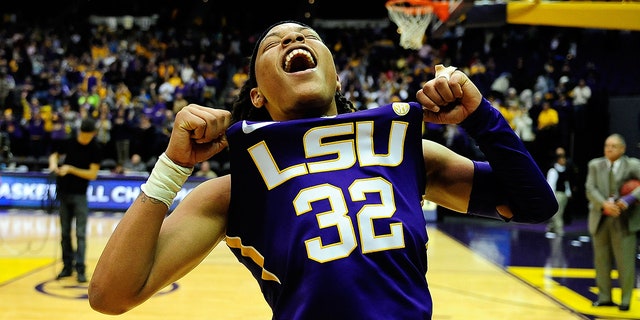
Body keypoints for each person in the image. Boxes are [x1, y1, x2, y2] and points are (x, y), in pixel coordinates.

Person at [88, 21, 557, 319]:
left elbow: (534, 205)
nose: (293, 38)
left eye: (309, 36)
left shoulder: (404, 151)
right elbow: (112, 295)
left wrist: (481, 117)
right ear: (257, 96)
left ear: (336, 76)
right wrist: (172, 168)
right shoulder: (233, 190)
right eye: (274, 42)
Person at [586, 133, 640, 311]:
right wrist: (604, 204)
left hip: (624, 219)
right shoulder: (595, 164)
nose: (609, 148)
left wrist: (629, 199)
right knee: (601, 261)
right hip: (601, 217)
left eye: (613, 146)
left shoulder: (632, 164)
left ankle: (625, 300)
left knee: (625, 262)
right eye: (606, 145)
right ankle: (604, 297)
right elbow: (590, 188)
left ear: (623, 149)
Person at [48, 118, 101, 283]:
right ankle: (67, 266)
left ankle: (80, 268)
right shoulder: (69, 142)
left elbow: (92, 174)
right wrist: (53, 165)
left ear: (93, 134)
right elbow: (54, 155)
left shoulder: (95, 148)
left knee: (80, 233)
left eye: (88, 135)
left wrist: (71, 169)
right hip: (63, 192)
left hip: (80, 195)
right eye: (83, 134)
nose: (85, 138)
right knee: (64, 233)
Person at [545, 148, 573, 236]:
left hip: (563, 195)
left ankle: (551, 227)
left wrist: (568, 193)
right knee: (557, 213)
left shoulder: (564, 170)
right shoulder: (553, 171)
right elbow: (551, 184)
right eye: (562, 159)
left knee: (559, 213)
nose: (564, 160)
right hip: (557, 195)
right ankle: (559, 229)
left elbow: (566, 182)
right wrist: (551, 197)